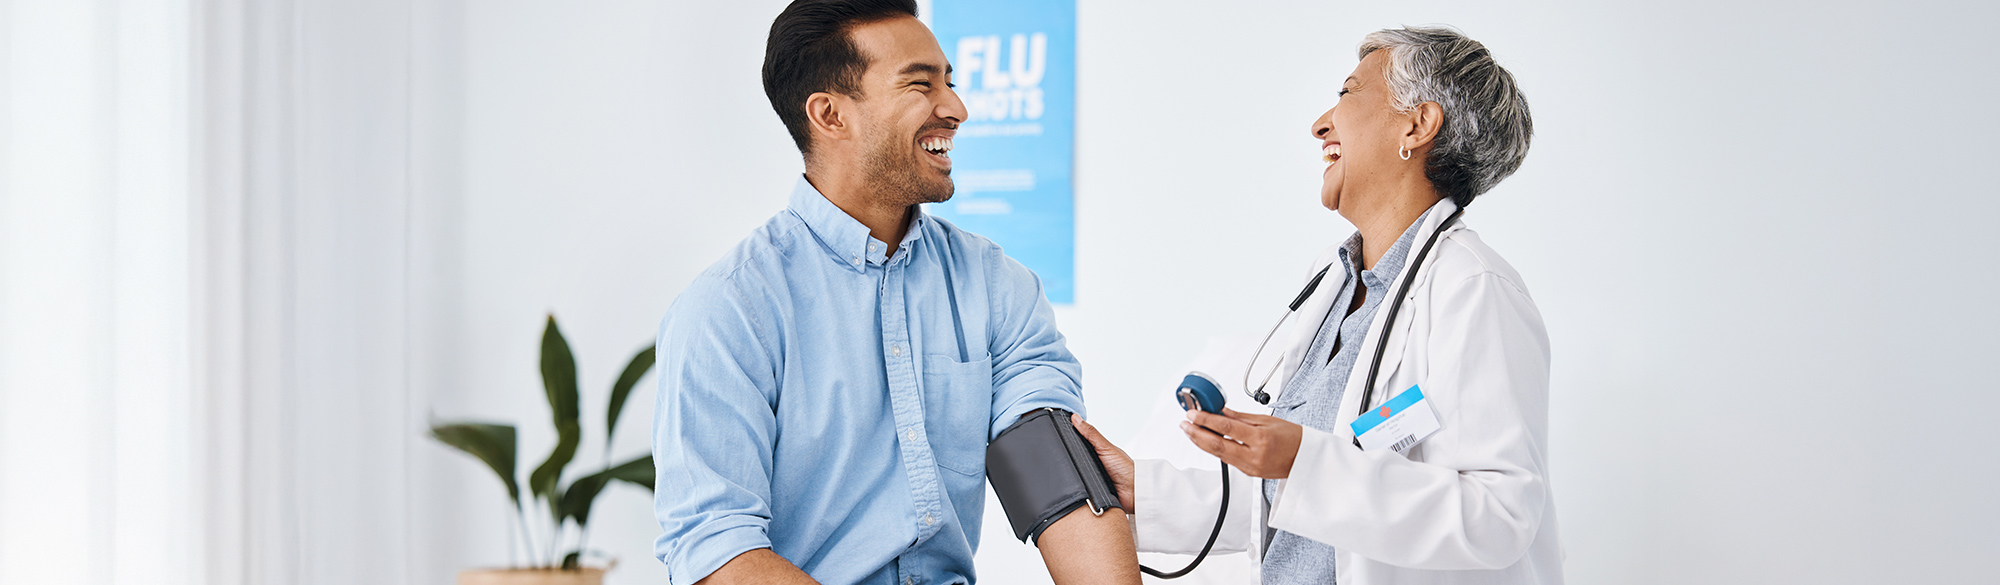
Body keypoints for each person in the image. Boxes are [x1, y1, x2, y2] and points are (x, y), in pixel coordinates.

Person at [649, 1, 1139, 584]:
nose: (955, 109)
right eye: (920, 85)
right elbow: (717, 547)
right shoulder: (728, 311)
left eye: (950, 84)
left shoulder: (995, 285)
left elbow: (1057, 479)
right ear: (830, 114)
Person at [1073, 26, 1564, 584]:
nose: (1321, 123)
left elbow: (1499, 515)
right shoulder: (1331, 285)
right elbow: (1300, 504)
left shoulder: (1473, 288)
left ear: (1417, 124)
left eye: (1349, 94)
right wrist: (1148, 490)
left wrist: (1302, 460)